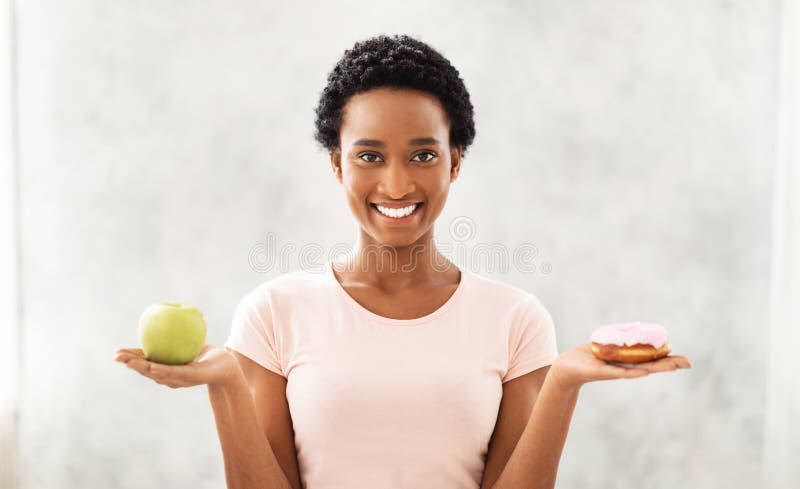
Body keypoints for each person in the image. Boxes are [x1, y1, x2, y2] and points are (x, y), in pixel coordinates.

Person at [115, 34, 691, 489]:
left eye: (423, 154)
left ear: (455, 162)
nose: (396, 184)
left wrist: (564, 383)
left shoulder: (517, 320)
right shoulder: (272, 314)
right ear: (338, 165)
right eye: (369, 155)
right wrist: (224, 386)